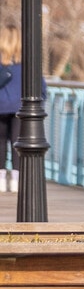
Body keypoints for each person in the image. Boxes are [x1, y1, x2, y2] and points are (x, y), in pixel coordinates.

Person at [0, 24, 19, 189]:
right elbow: (41, 87)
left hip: (1, 106)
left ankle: (0, 179)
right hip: (19, 107)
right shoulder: (25, 63)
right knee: (17, 143)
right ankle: (15, 180)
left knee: (0, 143)